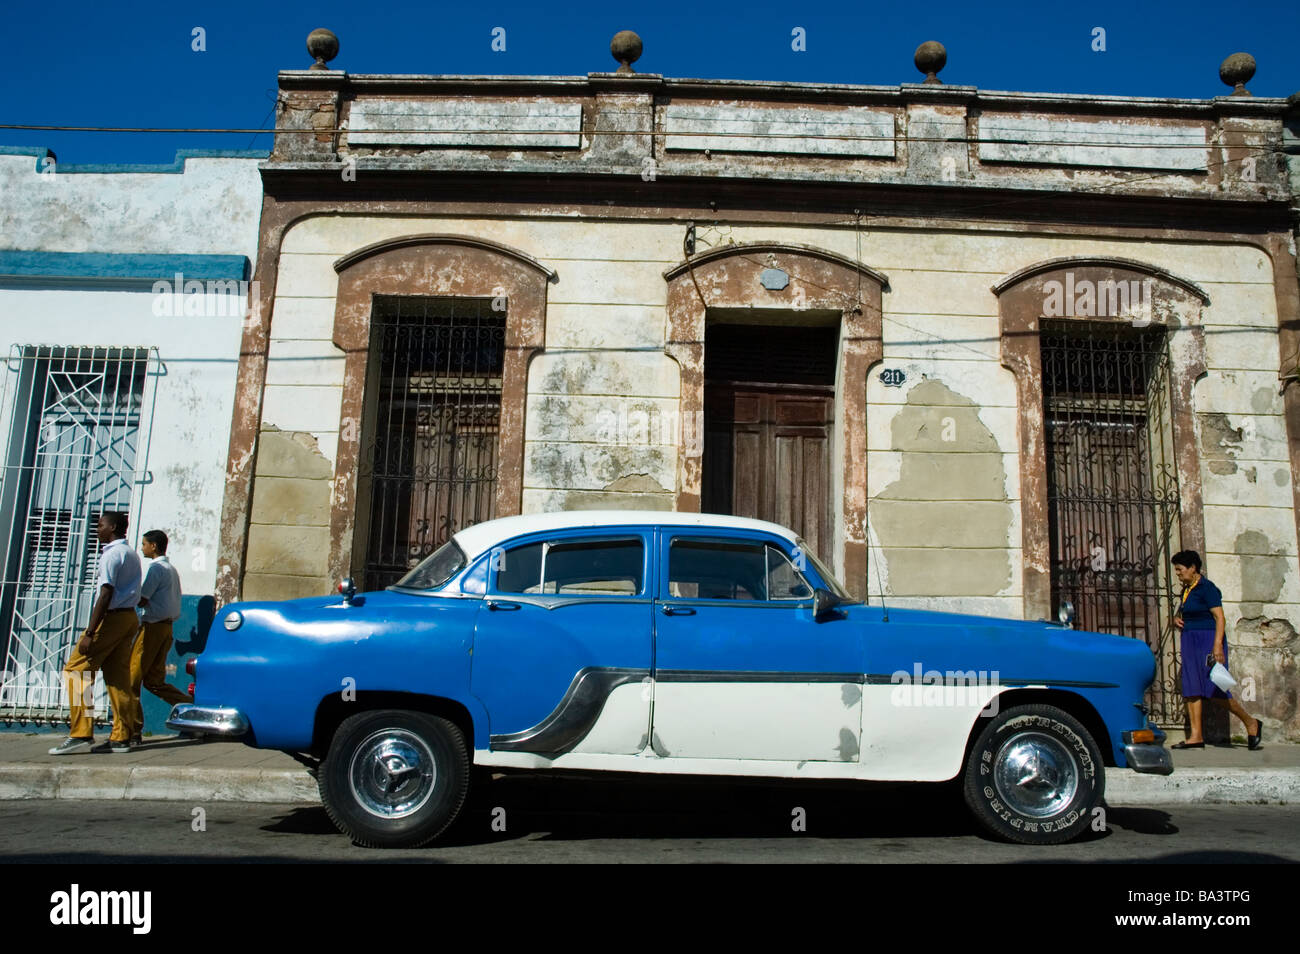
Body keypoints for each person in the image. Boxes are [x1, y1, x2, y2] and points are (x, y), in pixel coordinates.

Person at [48, 512, 142, 755]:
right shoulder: (131, 553)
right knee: (117, 678)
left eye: (100, 525)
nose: (97, 529)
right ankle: (123, 736)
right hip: (129, 617)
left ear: (113, 527)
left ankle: (81, 732)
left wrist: (90, 631)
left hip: (111, 619)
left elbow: (106, 593)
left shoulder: (111, 554)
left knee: (76, 670)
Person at [1170, 550, 1262, 750]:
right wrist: (1176, 618)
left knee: (1215, 689)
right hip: (1190, 640)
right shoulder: (1186, 589)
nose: (1177, 573)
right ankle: (1195, 736)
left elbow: (1219, 617)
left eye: (1180, 569)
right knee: (1192, 687)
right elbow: (1186, 612)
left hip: (1207, 640)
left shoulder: (1207, 588)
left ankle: (1250, 722)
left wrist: (1217, 645)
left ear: (1193, 568)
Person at [123, 529, 193, 746]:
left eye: (144, 544)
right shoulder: (171, 569)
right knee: (154, 681)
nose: (142, 548)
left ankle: (133, 730)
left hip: (152, 629)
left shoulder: (156, 569)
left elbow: (143, 598)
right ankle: (192, 707)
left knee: (131, 680)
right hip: (167, 629)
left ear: (153, 547)